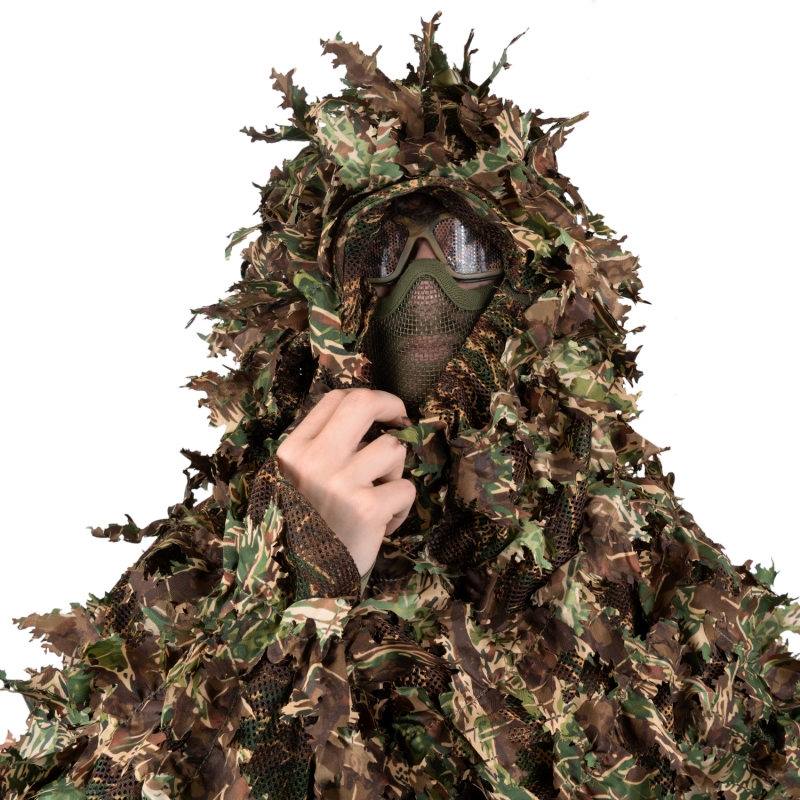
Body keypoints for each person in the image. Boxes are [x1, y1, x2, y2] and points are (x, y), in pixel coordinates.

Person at [3, 17, 800, 800]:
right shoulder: (210, 565)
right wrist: (292, 589)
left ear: (540, 283)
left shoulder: (640, 562)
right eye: (386, 253)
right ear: (320, 288)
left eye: (464, 251)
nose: (425, 285)